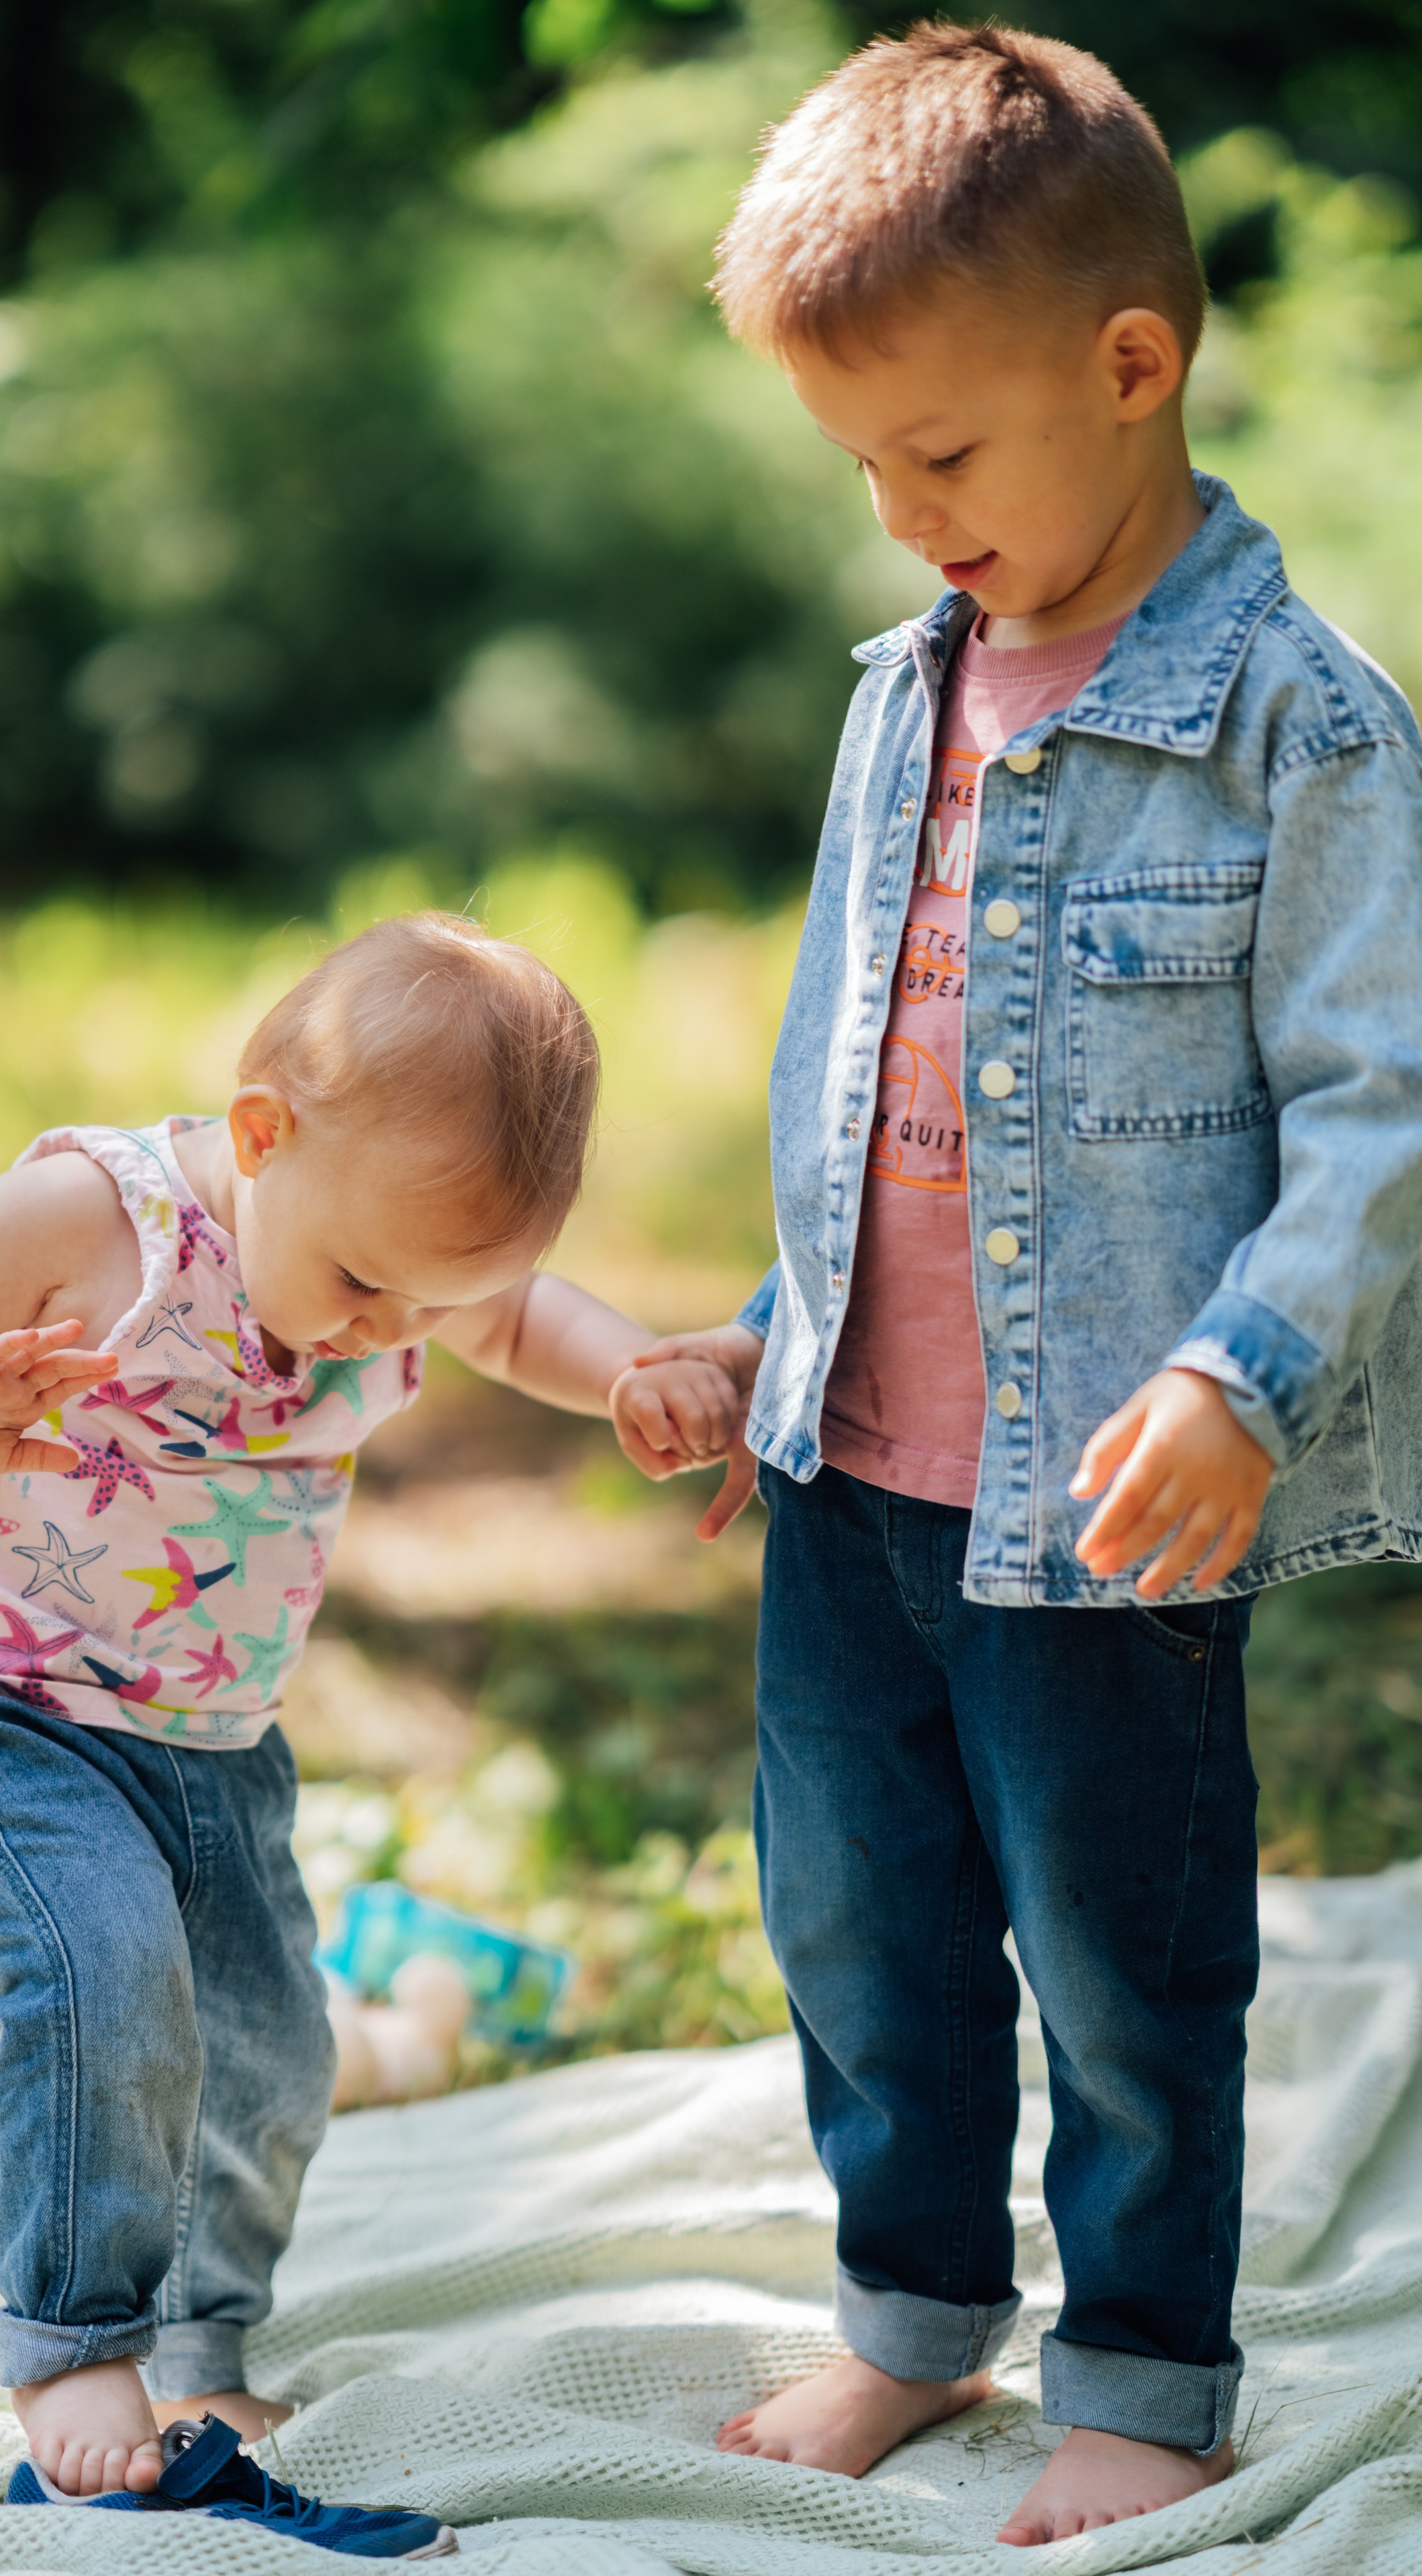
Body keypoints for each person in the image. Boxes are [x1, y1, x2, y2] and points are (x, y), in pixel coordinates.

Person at [607, 20, 1422, 2549]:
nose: (894, 516)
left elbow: (1388, 1103)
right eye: (857, 463)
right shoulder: (908, 701)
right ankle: (911, 2313)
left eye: (937, 456)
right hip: (857, 1462)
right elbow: (876, 1075)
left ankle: (1148, 2368)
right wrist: (768, 1332)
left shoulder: (1305, 730)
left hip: (1102, 1490)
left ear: (1132, 362)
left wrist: (1246, 1370)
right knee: (861, 1915)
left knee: (1119, 1946)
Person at [0, 912, 735, 2518]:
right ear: (260, 1134)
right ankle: (73, 2338)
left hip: (213, 1741)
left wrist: (630, 1372)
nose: (384, 1333)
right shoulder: (99, 1216)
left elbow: (512, 1318)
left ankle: (200, 2328)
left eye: (423, 1304)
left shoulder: (402, 1275)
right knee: (109, 1982)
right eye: (365, 1283)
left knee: (267, 2048)